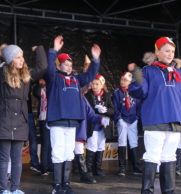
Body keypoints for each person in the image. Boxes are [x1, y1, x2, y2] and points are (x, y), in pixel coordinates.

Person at [127, 37, 181, 194]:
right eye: (166, 51)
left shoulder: (179, 74)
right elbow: (140, 92)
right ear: (157, 52)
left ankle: (169, 191)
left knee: (170, 157)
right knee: (152, 156)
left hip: (175, 123)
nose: (170, 54)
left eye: (172, 51)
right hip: (155, 121)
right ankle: (147, 191)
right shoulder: (148, 71)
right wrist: (137, 78)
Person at [45, 35, 101, 194]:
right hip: (57, 121)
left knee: (68, 152)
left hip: (71, 123)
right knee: (57, 152)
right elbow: (49, 69)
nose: (69, 67)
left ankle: (66, 184)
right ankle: (57, 186)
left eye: (70, 64)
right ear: (58, 66)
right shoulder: (54, 78)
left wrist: (95, 60)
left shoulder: (76, 80)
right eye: (65, 64)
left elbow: (90, 76)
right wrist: (54, 51)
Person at [0, 41, 47, 194]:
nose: (22, 60)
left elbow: (42, 68)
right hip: (3, 121)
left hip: (20, 122)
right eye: (18, 57)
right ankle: (3, 189)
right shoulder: (1, 74)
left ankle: (15, 189)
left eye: (22, 57)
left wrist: (39, 48)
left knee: (17, 159)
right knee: (4, 158)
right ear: (9, 60)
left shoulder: (26, 76)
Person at [74, 85, 109, 184]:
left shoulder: (83, 99)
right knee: (64, 155)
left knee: (79, 151)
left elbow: (91, 115)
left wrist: (101, 119)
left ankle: (84, 174)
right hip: (66, 129)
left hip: (78, 131)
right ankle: (61, 181)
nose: (87, 89)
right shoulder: (69, 97)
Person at [112, 72, 142, 176]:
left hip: (133, 120)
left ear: (130, 82)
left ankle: (136, 167)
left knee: (134, 142)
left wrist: (137, 117)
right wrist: (119, 118)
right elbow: (115, 107)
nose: (122, 82)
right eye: (121, 79)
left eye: (125, 80)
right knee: (122, 141)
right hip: (122, 119)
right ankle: (122, 168)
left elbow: (139, 106)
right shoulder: (117, 92)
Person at [85, 74, 115, 177]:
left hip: (103, 126)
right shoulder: (88, 95)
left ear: (102, 85)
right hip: (93, 125)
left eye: (97, 84)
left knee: (101, 146)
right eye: (93, 83)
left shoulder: (107, 96)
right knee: (92, 145)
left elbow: (112, 110)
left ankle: (97, 168)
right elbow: (86, 110)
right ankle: (89, 169)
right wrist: (95, 109)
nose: (94, 86)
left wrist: (106, 110)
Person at [33, 78, 53, 176]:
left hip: (53, 117)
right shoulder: (40, 87)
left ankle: (50, 165)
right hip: (44, 117)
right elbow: (36, 93)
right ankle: (44, 167)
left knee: (52, 143)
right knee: (45, 143)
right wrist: (40, 84)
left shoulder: (53, 85)